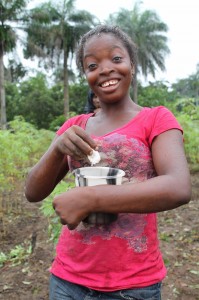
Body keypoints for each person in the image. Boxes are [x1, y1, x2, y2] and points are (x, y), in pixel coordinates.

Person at [25, 25, 191, 300]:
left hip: (133, 284)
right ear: (86, 75)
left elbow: (178, 187)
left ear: (132, 65)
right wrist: (57, 147)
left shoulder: (156, 119)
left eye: (116, 59)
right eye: (92, 64)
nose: (105, 69)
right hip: (68, 280)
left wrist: (91, 199)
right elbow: (32, 192)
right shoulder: (75, 126)